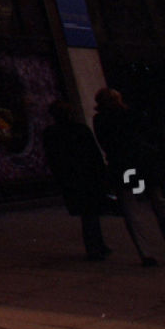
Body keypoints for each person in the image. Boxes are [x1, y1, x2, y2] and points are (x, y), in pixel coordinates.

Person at [93, 87, 165, 266]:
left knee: (131, 209)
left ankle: (145, 253)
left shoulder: (100, 119)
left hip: (123, 167)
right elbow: (150, 134)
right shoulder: (131, 114)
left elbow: (105, 143)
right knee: (159, 205)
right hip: (144, 165)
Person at [42, 100, 114, 260]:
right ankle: (95, 246)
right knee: (90, 212)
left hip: (70, 178)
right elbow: (94, 155)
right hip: (87, 176)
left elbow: (52, 158)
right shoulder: (80, 130)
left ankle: (96, 245)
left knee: (87, 212)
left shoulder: (50, 133)